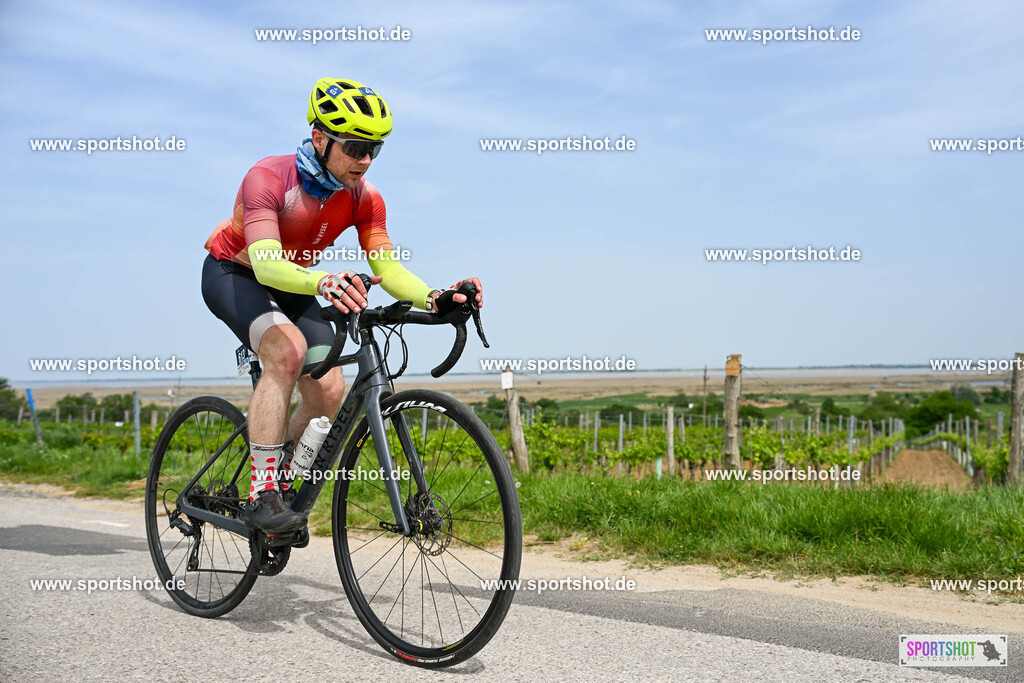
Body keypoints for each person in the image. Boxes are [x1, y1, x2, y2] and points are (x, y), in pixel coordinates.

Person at [201, 78, 482, 533]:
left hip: (299, 282)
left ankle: (283, 481)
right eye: (354, 147)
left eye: (375, 148)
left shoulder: (365, 198)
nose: (365, 160)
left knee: (329, 387)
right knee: (286, 353)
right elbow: (268, 266)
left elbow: (388, 269)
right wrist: (326, 281)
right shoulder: (268, 179)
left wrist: (433, 296)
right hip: (235, 273)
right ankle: (261, 492)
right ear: (320, 138)